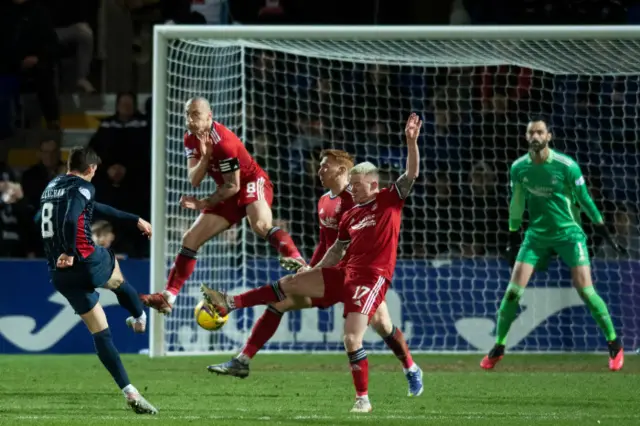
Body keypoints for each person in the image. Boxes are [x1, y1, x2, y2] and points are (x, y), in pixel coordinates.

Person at [201, 113, 422, 413]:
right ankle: (241, 351)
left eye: (324, 165)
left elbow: (408, 177)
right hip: (338, 274)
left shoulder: (368, 199)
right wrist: (311, 267)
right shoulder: (329, 203)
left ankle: (407, 370)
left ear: (343, 170)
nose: (318, 169)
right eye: (319, 165)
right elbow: (329, 245)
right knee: (285, 297)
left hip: (362, 276)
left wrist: (411, 142)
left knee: (380, 327)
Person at [481, 118, 626, 371]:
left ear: (549, 136)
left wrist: (603, 228)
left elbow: (585, 199)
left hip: (569, 234)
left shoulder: (566, 166)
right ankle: (500, 345)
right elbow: (516, 202)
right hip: (536, 235)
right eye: (531, 133)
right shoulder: (519, 168)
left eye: (540, 132)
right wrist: (513, 235)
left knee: (586, 292)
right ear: (527, 138)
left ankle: (614, 344)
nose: (536, 136)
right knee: (513, 292)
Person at [141, 97, 304, 314]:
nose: (190, 119)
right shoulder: (190, 137)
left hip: (251, 182)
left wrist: (203, 203)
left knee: (260, 225)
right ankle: (168, 297)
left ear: (209, 116)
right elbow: (194, 179)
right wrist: (206, 158)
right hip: (227, 190)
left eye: (196, 114)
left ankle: (296, 259)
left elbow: (234, 185)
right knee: (190, 239)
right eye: (187, 114)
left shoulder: (223, 142)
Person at [40, 146, 157, 414]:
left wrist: (133, 219)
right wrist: (70, 252)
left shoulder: (51, 186)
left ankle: (130, 391)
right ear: (91, 169)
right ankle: (139, 318)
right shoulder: (83, 186)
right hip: (83, 260)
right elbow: (71, 218)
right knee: (115, 272)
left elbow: (91, 208)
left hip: (59, 273)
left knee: (101, 332)